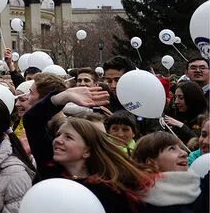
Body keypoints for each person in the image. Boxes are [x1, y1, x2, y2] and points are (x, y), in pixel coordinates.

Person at [23, 85, 153, 212]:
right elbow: (32, 120)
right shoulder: (49, 169)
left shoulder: (109, 190)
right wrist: (63, 97)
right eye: (58, 135)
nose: (58, 140)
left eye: (68, 137)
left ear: (87, 151)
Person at [133, 131, 208, 213]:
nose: (184, 153)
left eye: (180, 148)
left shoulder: (200, 184)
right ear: (151, 162)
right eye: (172, 149)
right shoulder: (135, 203)